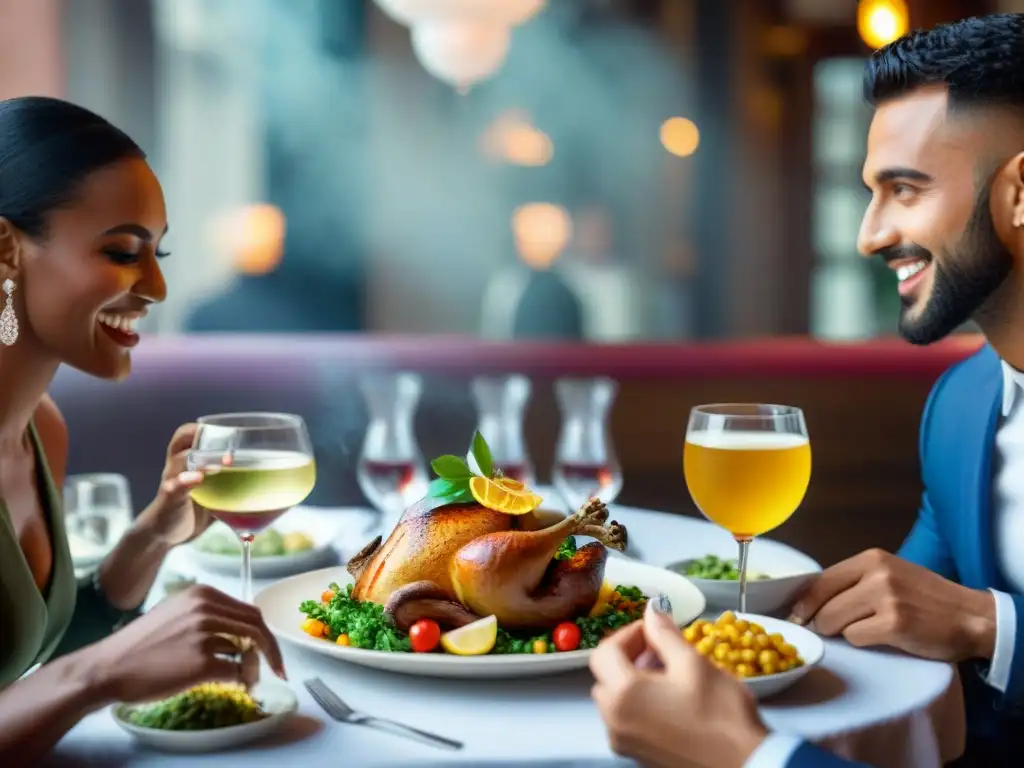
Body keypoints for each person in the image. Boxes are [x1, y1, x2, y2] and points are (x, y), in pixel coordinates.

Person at [592, 12, 1024, 767]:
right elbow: (896, 614)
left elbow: (956, 618)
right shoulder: (958, 408)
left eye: (905, 189)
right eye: (870, 191)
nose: (869, 234)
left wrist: (990, 627)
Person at [0, 96, 285, 766]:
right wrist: (103, 673)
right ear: (6, 247)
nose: (156, 285)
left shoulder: (43, 428)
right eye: (124, 251)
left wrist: (154, 534)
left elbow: (32, 653)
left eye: (158, 253)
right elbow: (69, 677)